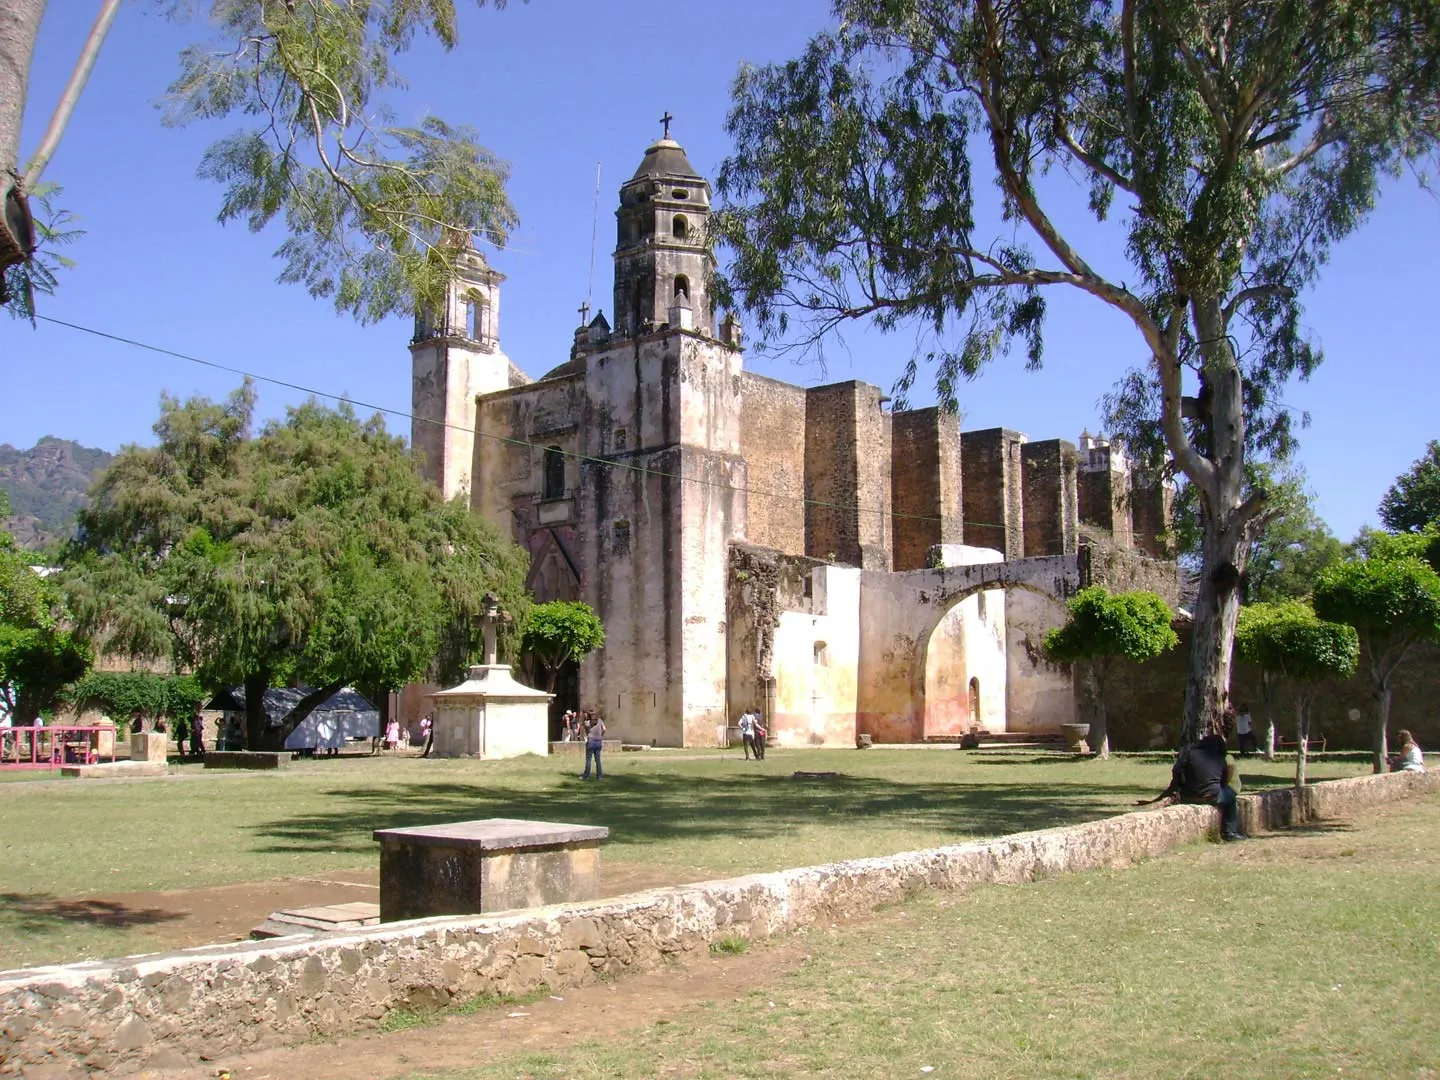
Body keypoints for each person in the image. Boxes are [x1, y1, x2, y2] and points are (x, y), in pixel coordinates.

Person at [1139, 722, 1246, 841]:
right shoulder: (1222, 757)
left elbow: (1177, 774)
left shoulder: (1189, 753)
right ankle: (1230, 832)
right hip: (1212, 796)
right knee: (1231, 799)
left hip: (1188, 796)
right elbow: (1228, 783)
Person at [581, 711, 606, 779]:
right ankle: (599, 776)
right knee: (598, 760)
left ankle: (587, 776)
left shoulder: (587, 722)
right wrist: (601, 735)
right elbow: (604, 729)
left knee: (588, 759)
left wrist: (584, 718)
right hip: (598, 742)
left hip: (591, 741)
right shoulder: (600, 720)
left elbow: (583, 729)